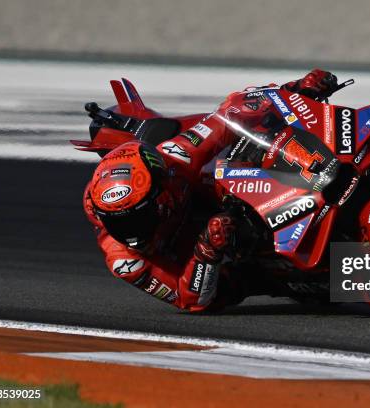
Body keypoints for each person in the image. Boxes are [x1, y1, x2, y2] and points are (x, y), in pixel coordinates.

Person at [83, 69, 338, 312]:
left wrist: (296, 90)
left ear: (161, 195)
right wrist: (206, 250)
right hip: (217, 260)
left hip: (226, 199)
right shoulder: (125, 261)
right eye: (119, 224)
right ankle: (322, 275)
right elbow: (188, 299)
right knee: (242, 281)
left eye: (139, 218)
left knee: (250, 142)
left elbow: (228, 114)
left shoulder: (177, 156)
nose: (132, 233)